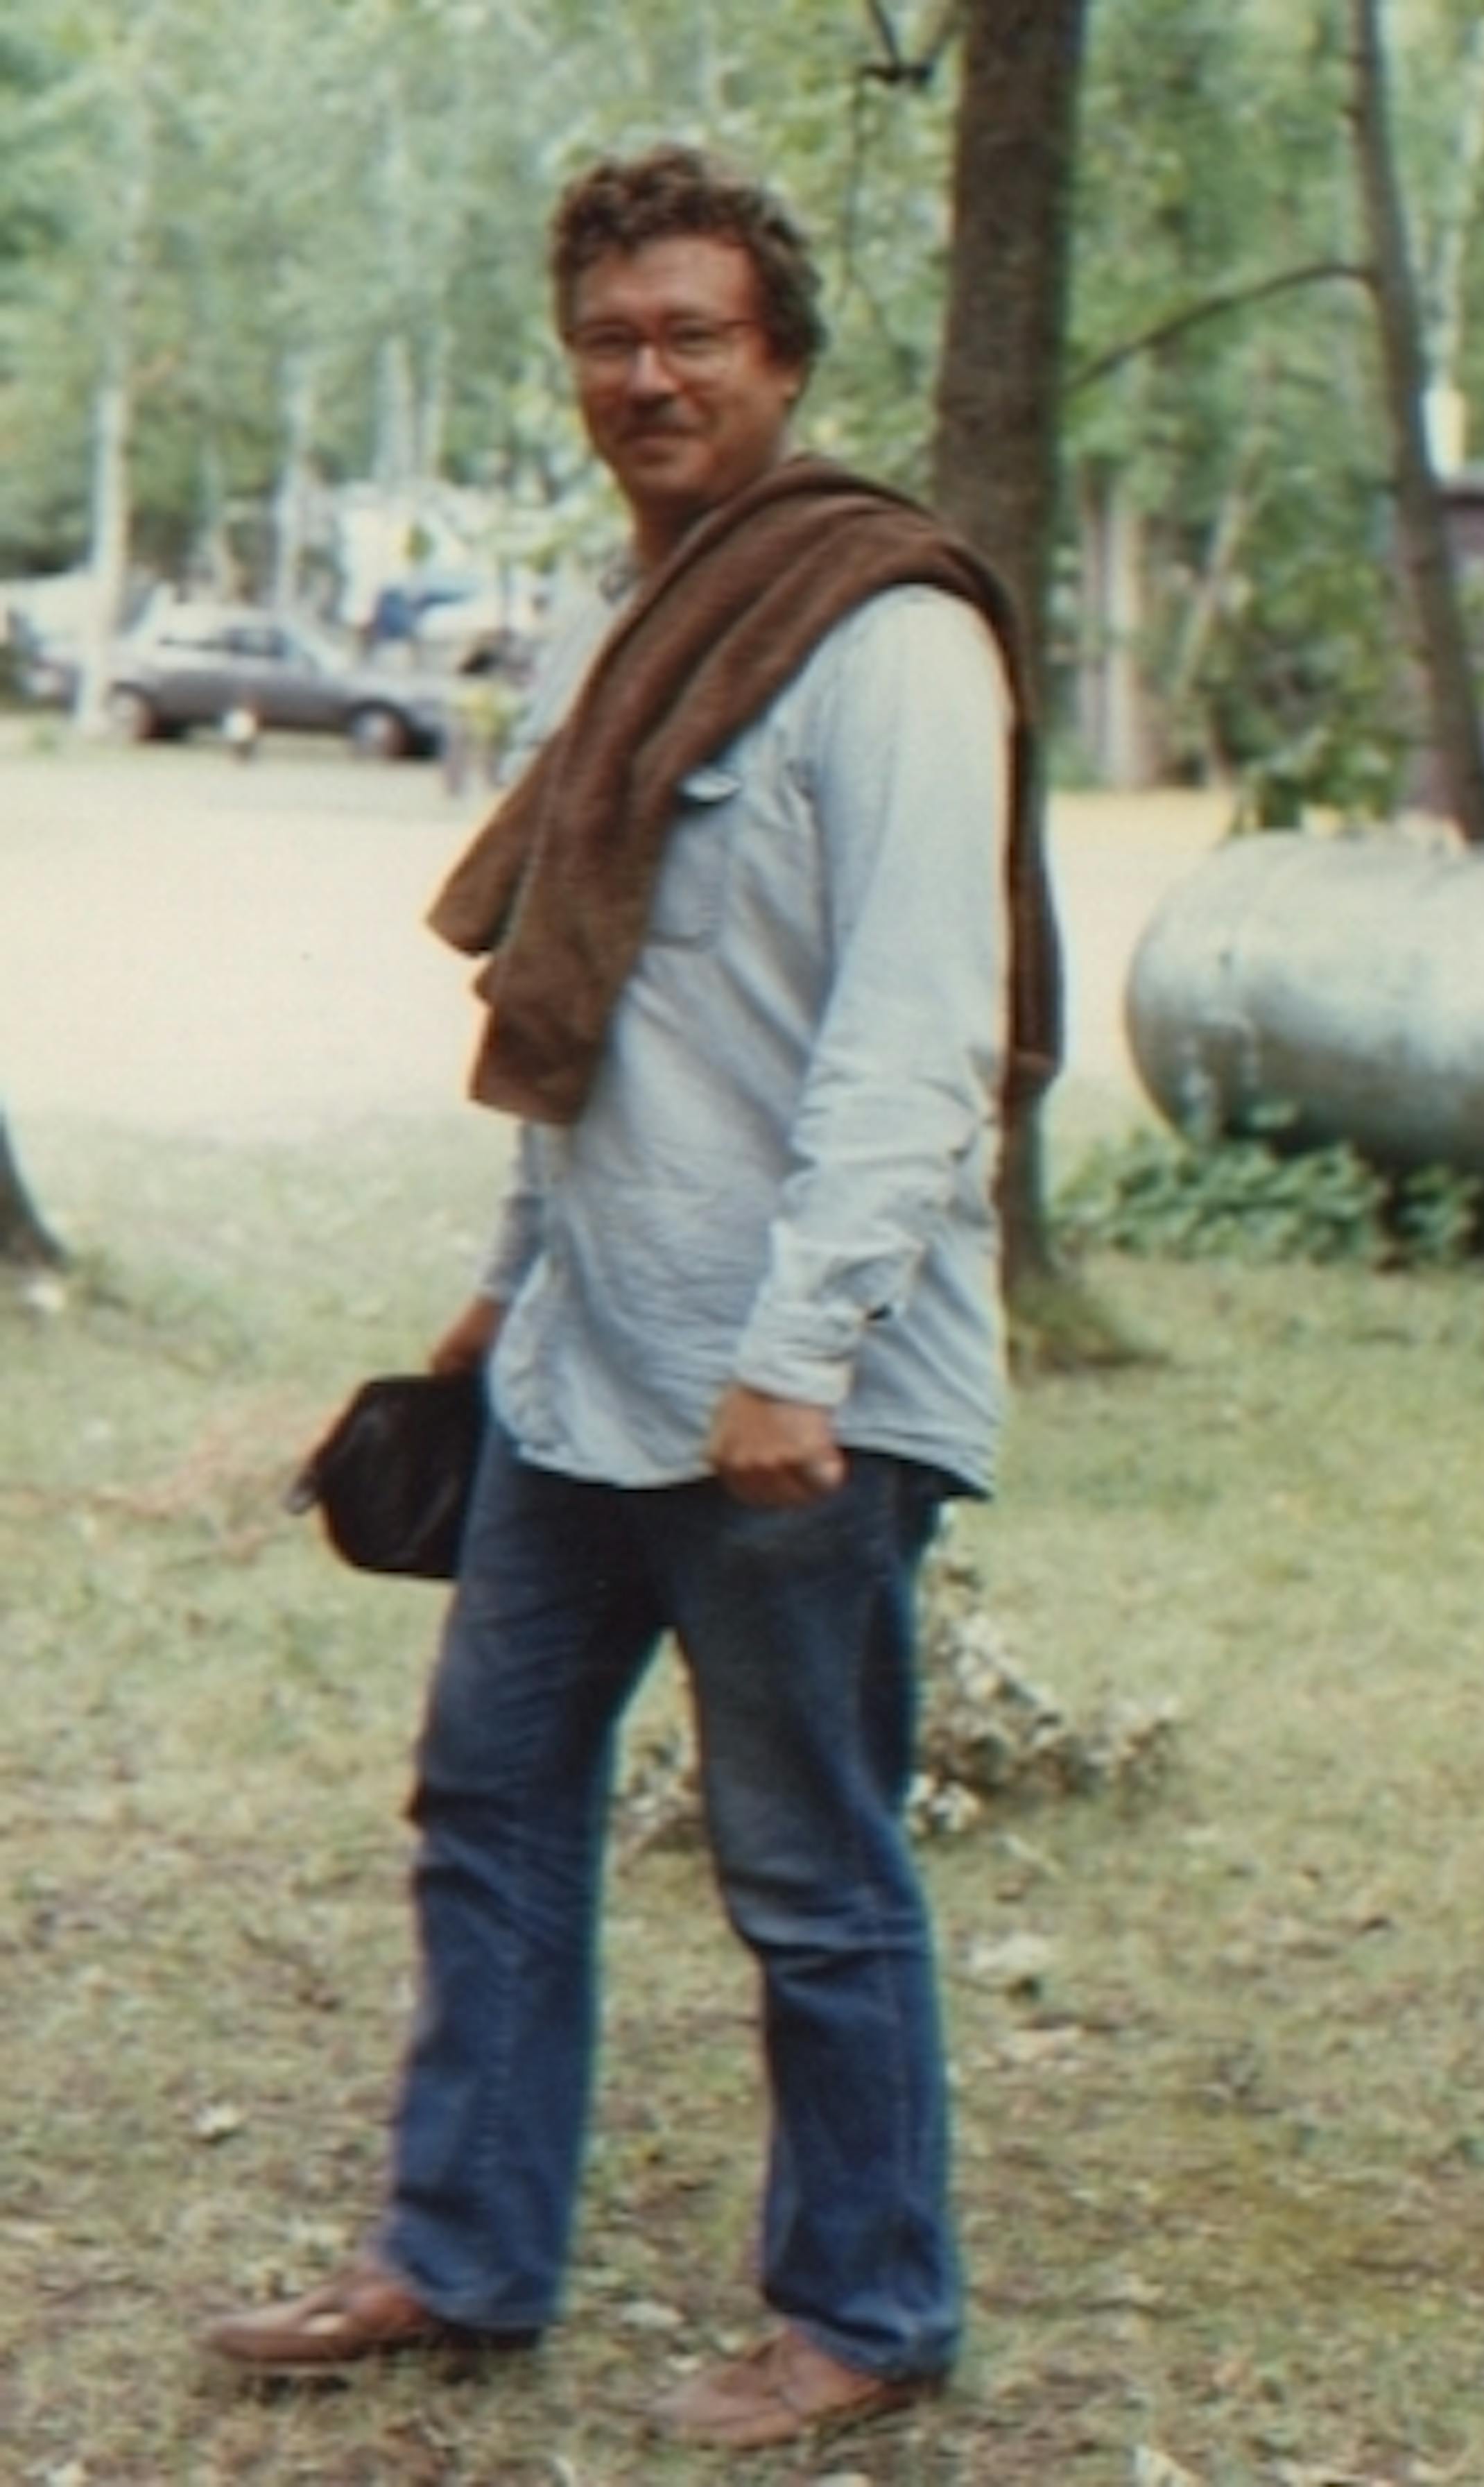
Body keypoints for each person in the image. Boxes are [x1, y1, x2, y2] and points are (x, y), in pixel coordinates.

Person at [202, 142, 1057, 2452]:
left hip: (793, 1394)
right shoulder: (642, 614)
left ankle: (868, 2312)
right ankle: (461, 2252)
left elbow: (916, 1035)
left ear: (781, 357)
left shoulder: (889, 634)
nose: (648, 371)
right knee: (487, 1799)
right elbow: (596, 1022)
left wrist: (803, 1352)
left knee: (808, 1869)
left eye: (694, 332)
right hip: (594, 1359)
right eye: (612, 336)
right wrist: (501, 1289)